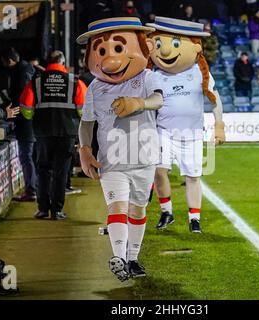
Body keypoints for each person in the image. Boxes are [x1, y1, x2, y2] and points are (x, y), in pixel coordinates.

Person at [76, 17, 163, 281]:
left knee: (138, 210)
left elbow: (158, 100)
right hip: (111, 161)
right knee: (117, 207)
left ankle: (133, 258)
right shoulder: (94, 87)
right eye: (101, 51)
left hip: (144, 157)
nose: (111, 60)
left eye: (118, 49)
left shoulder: (147, 77)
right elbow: (86, 123)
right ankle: (119, 258)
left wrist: (140, 103)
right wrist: (85, 149)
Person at [147, 16, 225, 233]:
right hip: (163, 131)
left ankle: (194, 218)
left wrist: (220, 124)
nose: (165, 51)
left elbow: (215, 98)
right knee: (159, 169)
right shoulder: (154, 74)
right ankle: (167, 212)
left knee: (192, 176)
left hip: (191, 134)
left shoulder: (200, 72)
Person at [19, 50, 87, 220]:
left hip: (43, 133)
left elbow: (25, 108)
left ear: (47, 62)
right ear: (63, 62)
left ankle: (42, 209)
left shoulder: (36, 81)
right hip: (67, 133)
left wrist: (37, 117)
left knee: (43, 171)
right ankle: (56, 211)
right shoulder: (75, 81)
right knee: (61, 172)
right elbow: (84, 110)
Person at [1, 47, 37, 202]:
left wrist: (10, 113)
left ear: (9, 61)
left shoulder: (20, 73)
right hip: (34, 121)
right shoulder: (28, 69)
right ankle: (36, 189)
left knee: (26, 156)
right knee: (33, 156)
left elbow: (21, 99)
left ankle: (31, 191)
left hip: (26, 122)